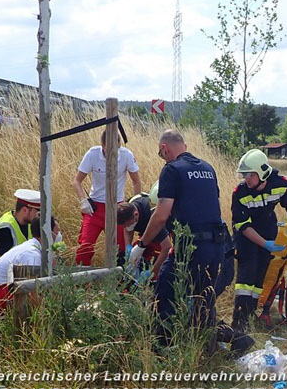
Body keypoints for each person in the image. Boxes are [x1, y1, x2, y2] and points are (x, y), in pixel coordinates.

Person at [130, 130, 227, 348]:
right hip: (217, 245)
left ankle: (163, 347)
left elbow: (161, 214)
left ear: (165, 148)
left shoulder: (171, 170)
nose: (162, 157)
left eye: (161, 153)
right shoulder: (208, 168)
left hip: (192, 246)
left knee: (165, 290)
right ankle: (206, 348)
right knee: (204, 299)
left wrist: (142, 244)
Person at [231, 149, 287, 331]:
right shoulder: (240, 192)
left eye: (250, 175)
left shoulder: (281, 185)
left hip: (268, 228)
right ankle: (240, 319)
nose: (246, 178)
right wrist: (264, 244)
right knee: (247, 275)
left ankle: (251, 312)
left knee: (261, 274)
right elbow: (242, 225)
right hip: (247, 234)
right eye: (244, 175)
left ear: (263, 172)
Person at [73, 129, 141, 266]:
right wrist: (83, 200)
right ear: (102, 145)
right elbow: (76, 181)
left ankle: (122, 284)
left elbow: (136, 181)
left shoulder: (126, 155)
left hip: (117, 208)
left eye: (115, 150)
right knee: (84, 249)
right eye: (108, 150)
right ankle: (83, 284)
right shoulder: (93, 154)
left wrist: (135, 204)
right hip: (95, 209)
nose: (112, 154)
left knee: (122, 250)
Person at [0, 214, 61, 315]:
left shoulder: (33, 248)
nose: (59, 235)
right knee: (33, 298)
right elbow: (33, 293)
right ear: (47, 233)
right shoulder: (31, 254)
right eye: (57, 231)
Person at [0, 189, 41, 275]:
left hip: (12, 272)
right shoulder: (5, 231)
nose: (39, 215)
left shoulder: (28, 223)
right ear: (25, 210)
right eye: (37, 211)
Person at [117, 195, 172, 281]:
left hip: (165, 236)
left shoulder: (153, 218)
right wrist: (128, 246)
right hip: (145, 237)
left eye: (128, 224)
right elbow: (128, 228)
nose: (126, 227)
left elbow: (167, 246)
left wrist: (152, 272)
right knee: (135, 256)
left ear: (136, 214)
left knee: (161, 271)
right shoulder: (129, 206)